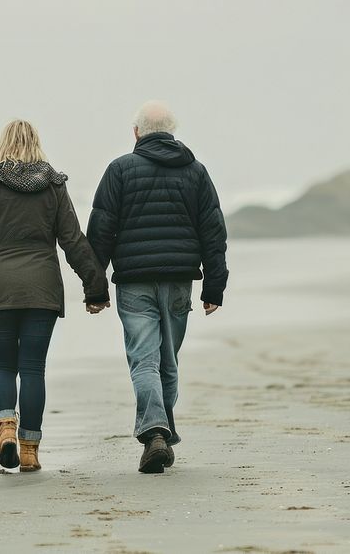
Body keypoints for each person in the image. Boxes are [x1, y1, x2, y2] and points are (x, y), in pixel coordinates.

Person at [86, 102, 229, 474]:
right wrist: (214, 287)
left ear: (136, 132)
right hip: (180, 279)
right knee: (168, 360)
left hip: (134, 281)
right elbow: (213, 232)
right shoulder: (196, 171)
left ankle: (154, 432)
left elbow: (100, 231)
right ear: (172, 131)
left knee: (143, 359)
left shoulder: (119, 170)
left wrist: (95, 287)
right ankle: (162, 428)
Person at [0, 120, 108, 472]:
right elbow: (73, 240)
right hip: (41, 289)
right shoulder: (53, 186)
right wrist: (95, 286)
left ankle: (6, 427)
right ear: (37, 144)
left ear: (4, 144)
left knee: (3, 366)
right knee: (33, 370)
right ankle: (28, 452)